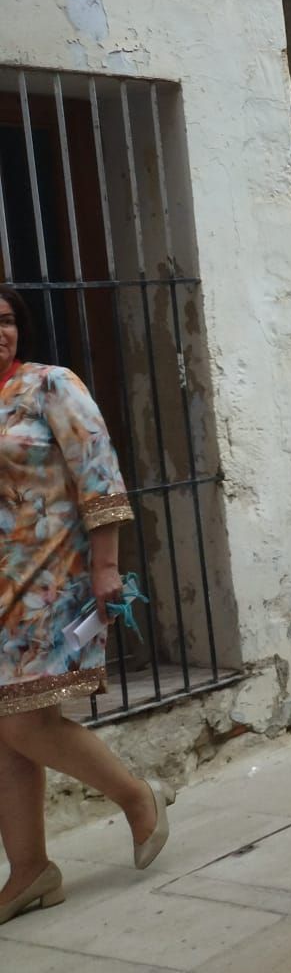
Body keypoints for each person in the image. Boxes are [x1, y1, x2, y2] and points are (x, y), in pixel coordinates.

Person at [0, 285, 170, 926]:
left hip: (53, 578)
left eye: (8, 321)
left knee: (22, 723)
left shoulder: (50, 386)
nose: (1, 332)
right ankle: (30, 871)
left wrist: (105, 565)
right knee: (3, 730)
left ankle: (136, 795)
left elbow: (98, 472)